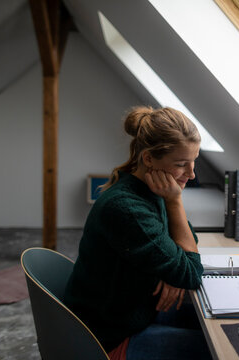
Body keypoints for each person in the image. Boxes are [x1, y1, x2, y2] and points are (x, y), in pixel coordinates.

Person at [64, 106, 212, 360]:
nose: (191, 173)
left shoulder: (149, 191)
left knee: (224, 326)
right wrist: (175, 204)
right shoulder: (127, 208)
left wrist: (169, 267)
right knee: (219, 350)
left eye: (194, 161)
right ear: (148, 159)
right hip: (107, 340)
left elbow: (188, 242)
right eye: (181, 164)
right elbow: (190, 272)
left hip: (133, 315)